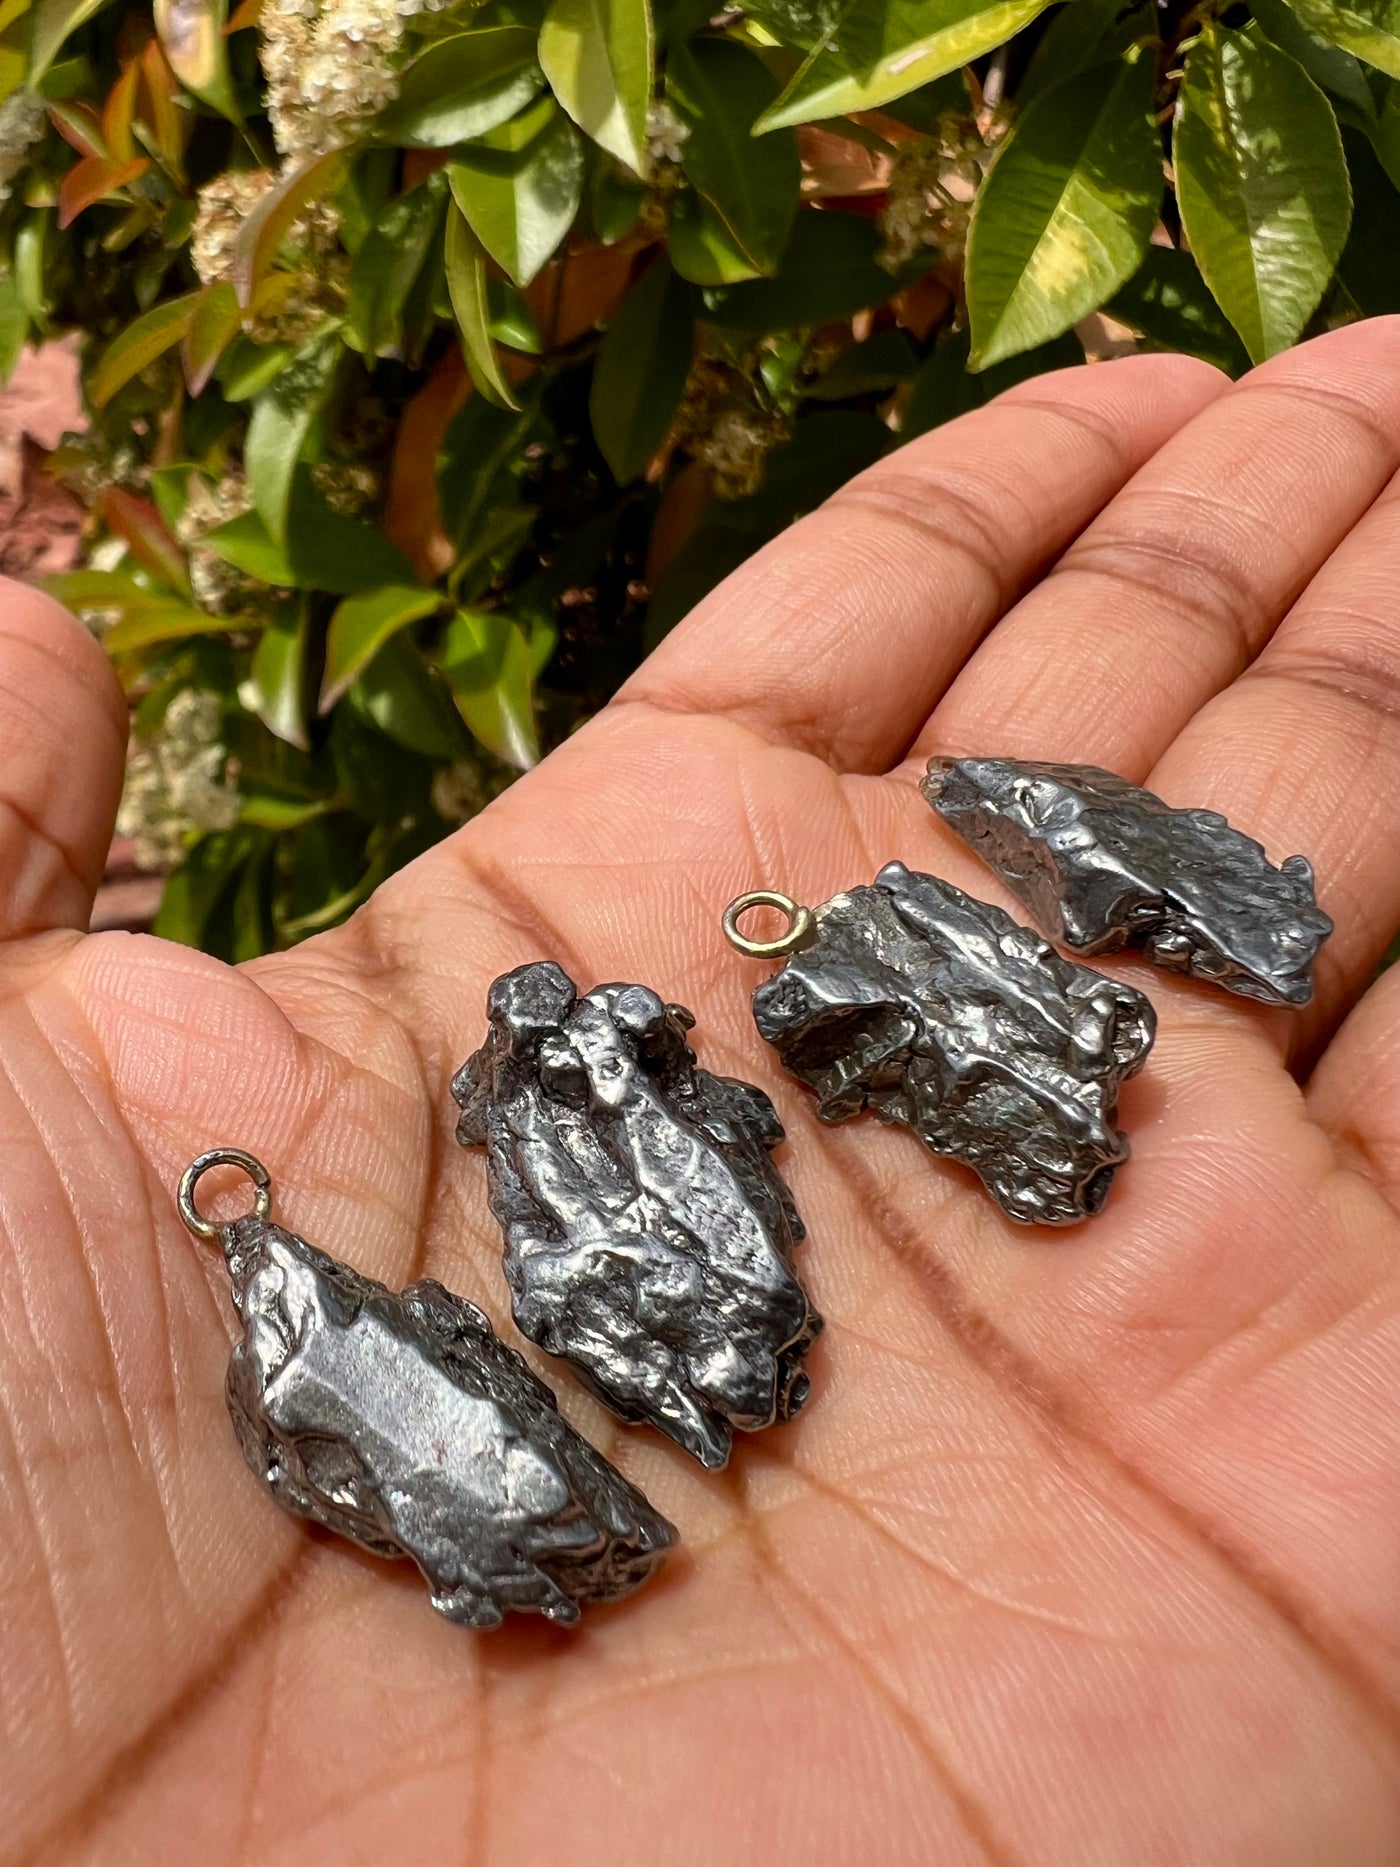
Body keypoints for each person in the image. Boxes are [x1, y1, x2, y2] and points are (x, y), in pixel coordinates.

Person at [5, 319, 1400, 1864]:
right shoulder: (516, 1138)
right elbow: (541, 1272)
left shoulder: (666, 1051)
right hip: (624, 1310)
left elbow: (676, 1166)